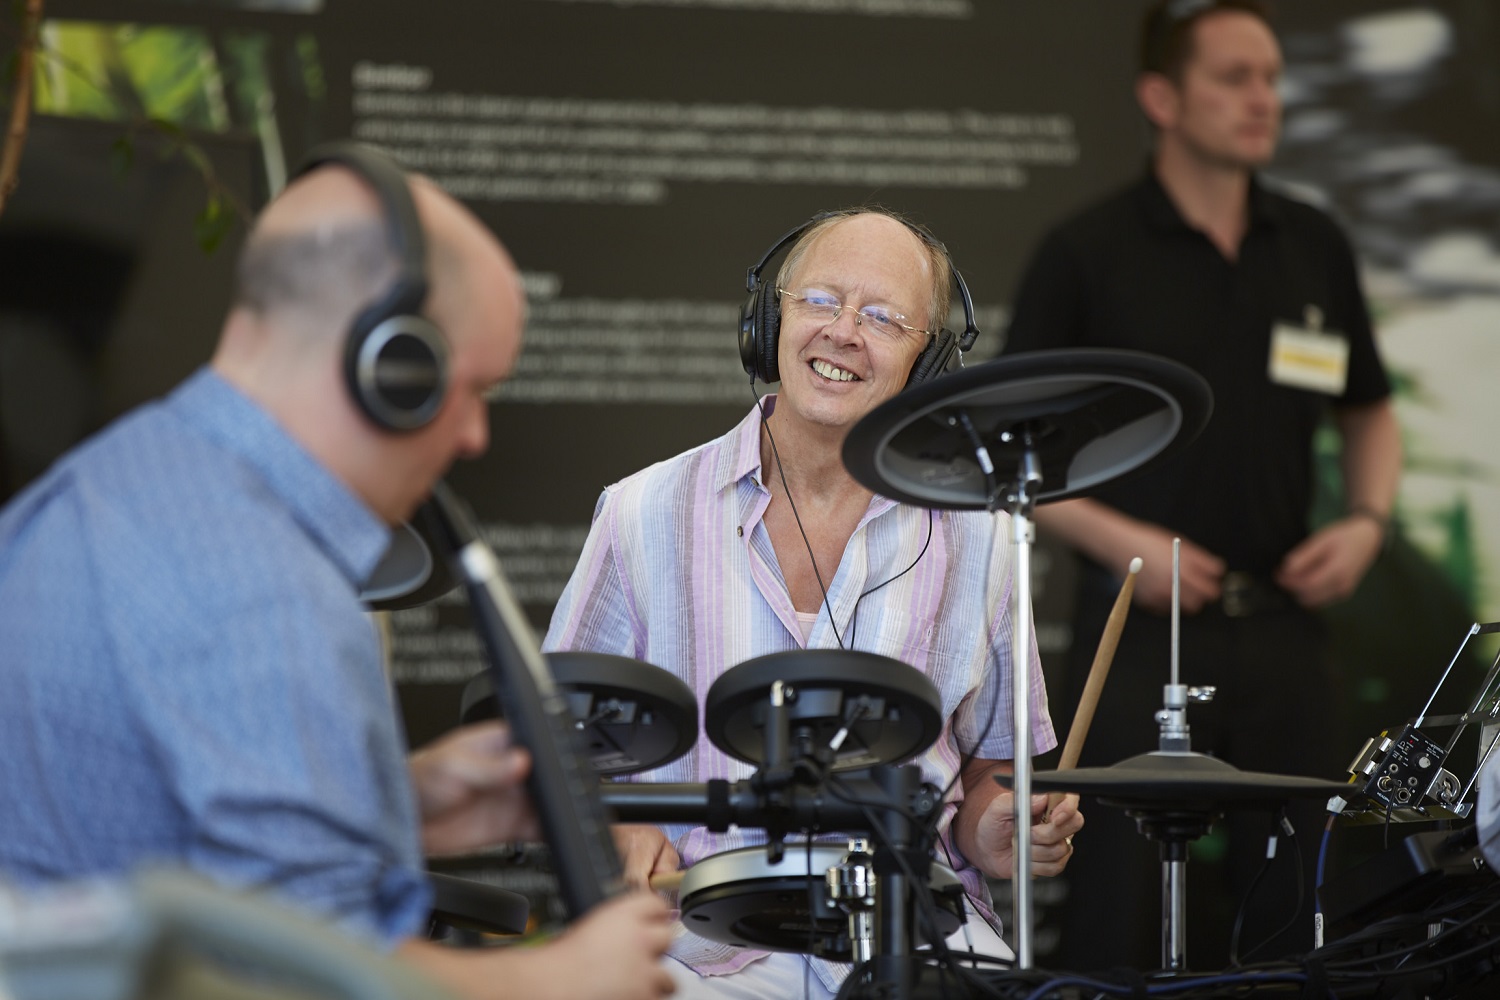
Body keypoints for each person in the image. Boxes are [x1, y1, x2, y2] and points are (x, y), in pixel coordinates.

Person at [0, 144, 675, 1000]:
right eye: (474, 390)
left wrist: (398, 804)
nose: (475, 437)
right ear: (394, 370)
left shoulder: (98, 489)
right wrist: (559, 978)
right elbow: (313, 983)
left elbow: (158, 841)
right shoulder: (266, 591)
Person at [544, 208, 1085, 997]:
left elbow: (990, 769)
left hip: (912, 928)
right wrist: (619, 828)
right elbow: (556, 741)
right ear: (769, 323)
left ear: (928, 361)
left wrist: (996, 828)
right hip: (697, 940)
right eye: (821, 301)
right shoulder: (642, 510)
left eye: (883, 318)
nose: (843, 333)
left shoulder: (982, 535)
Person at [1003, 0, 1402, 971]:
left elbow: (1369, 409)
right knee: (1119, 915)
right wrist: (1126, 546)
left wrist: (1365, 521)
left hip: (1286, 626)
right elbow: (1014, 450)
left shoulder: (1312, 243)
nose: (1263, 98)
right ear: (1162, 98)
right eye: (1234, 77)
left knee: (1307, 911)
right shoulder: (1088, 249)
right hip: (1136, 634)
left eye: (1270, 78)